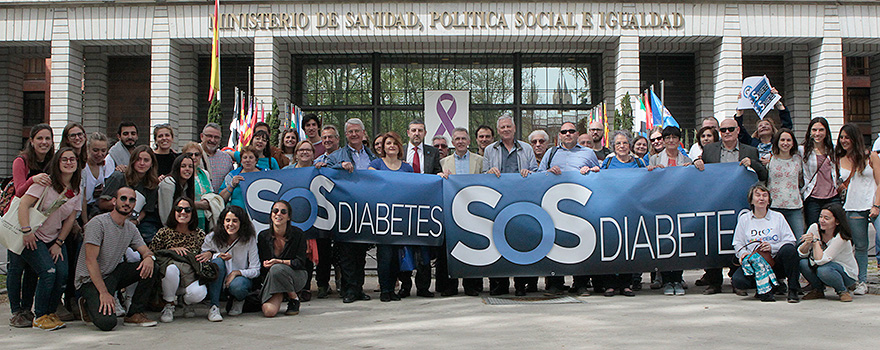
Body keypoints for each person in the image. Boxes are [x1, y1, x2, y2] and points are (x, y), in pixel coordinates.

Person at [7, 148, 82, 330]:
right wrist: (26, 231)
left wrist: (59, 243)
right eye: (64, 159)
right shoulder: (45, 183)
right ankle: (39, 315)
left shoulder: (77, 188)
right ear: (57, 163)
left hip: (54, 238)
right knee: (48, 273)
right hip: (32, 236)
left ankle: (50, 313)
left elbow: (70, 219)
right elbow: (24, 204)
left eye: (72, 159)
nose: (69, 162)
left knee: (62, 274)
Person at [694, 118, 768, 295]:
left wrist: (754, 164)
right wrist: (696, 164)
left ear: (738, 131)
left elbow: (764, 175)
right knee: (712, 240)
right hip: (714, 203)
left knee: (738, 241)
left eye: (730, 129)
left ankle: (736, 280)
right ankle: (714, 281)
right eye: (723, 129)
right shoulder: (710, 150)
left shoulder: (750, 150)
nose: (727, 132)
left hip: (739, 204)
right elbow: (699, 175)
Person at [74, 187, 158, 331]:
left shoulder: (130, 228)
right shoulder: (98, 223)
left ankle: (134, 313)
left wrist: (149, 257)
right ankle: (87, 303)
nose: (127, 203)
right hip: (89, 280)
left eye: (132, 200)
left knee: (153, 266)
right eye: (123, 198)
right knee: (107, 323)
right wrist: (104, 293)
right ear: (114, 201)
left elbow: (145, 250)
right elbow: (90, 260)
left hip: (112, 274)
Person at [536, 123, 601, 297]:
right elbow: (539, 175)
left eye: (571, 131)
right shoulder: (551, 153)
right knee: (556, 244)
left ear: (577, 134)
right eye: (564, 132)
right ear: (560, 135)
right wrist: (549, 171)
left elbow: (599, 175)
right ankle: (556, 284)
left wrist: (593, 171)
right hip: (555, 206)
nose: (568, 134)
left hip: (580, 205)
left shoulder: (588, 153)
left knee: (581, 244)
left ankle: (580, 284)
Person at [483, 114, 538, 296]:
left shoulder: (527, 148)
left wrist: (528, 172)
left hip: (522, 201)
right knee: (498, 241)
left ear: (514, 128)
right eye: (502, 127)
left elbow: (536, 174)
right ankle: (500, 284)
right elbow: (483, 175)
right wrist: (490, 172)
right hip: (498, 202)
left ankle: (521, 284)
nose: (505, 130)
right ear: (498, 131)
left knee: (520, 241)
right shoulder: (490, 150)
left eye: (508, 126)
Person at [324, 118, 377, 303]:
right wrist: (340, 166)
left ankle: (359, 288)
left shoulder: (372, 157)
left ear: (363, 133)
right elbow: (325, 171)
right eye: (350, 132)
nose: (354, 135)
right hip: (344, 210)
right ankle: (348, 290)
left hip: (365, 210)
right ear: (346, 135)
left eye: (357, 131)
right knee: (346, 253)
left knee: (360, 253)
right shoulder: (336, 156)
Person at [6, 124, 54, 328]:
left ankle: (28, 308)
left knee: (33, 269)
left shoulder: (51, 162)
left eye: (48, 139)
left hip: (41, 221)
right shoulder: (21, 161)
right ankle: (16, 311)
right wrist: (33, 179)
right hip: (20, 219)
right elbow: (18, 191)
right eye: (40, 138)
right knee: (16, 266)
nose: (44, 142)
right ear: (32, 141)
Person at [731, 184, 800, 302]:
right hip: (756, 264)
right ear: (751, 200)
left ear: (769, 201)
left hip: (775, 262)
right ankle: (766, 287)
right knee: (739, 281)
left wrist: (772, 247)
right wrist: (743, 255)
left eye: (765, 196)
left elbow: (790, 240)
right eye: (757, 195)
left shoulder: (778, 217)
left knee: (789, 249)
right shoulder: (744, 219)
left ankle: (793, 290)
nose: (761, 199)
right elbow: (738, 243)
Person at [834, 123, 880, 296]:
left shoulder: (871, 156)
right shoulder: (838, 158)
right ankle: (861, 281)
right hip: (853, 206)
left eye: (847, 137)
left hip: (875, 204)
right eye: (842, 137)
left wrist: (876, 205)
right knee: (860, 246)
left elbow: (879, 181)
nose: (844, 140)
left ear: (855, 138)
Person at [439, 127, 485, 296]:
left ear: (469, 141)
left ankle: (472, 286)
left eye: (463, 138)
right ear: (452, 142)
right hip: (451, 211)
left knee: (472, 248)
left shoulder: (479, 161)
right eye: (457, 139)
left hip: (473, 211)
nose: (460, 141)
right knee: (450, 249)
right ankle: (449, 287)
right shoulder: (444, 162)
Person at [368, 132, 414, 301]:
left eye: (395, 143)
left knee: (397, 256)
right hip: (382, 218)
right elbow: (369, 184)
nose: (392, 146)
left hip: (400, 217)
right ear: (383, 147)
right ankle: (384, 290)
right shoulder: (376, 164)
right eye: (388, 143)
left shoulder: (407, 167)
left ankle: (393, 289)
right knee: (384, 255)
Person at [647, 127, 692, 296]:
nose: (671, 140)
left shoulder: (686, 159)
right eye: (668, 138)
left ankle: (677, 279)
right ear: (664, 141)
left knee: (679, 244)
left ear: (679, 140)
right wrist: (651, 171)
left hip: (680, 207)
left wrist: (693, 168)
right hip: (662, 207)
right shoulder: (654, 158)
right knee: (666, 244)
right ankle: (667, 281)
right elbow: (648, 182)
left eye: (674, 137)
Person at [149, 197, 207, 323]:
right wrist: (172, 251)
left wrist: (208, 253)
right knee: (171, 269)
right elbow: (152, 253)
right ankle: (169, 304)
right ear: (173, 211)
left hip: (190, 276)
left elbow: (208, 251)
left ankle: (186, 302)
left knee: (200, 293)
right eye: (179, 209)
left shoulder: (199, 234)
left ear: (193, 213)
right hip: (167, 277)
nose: (183, 212)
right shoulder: (164, 232)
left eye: (187, 210)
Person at [402, 120, 443, 298]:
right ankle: (404, 286)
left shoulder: (432, 152)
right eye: (413, 130)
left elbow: (437, 173)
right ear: (408, 133)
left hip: (426, 207)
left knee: (424, 250)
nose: (416, 133)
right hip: (403, 207)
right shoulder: (400, 151)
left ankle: (423, 287)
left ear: (425, 133)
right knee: (404, 249)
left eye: (420, 130)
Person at [197, 206, 260, 321]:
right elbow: (203, 257)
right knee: (218, 262)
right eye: (227, 220)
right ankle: (214, 306)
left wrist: (237, 273)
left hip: (238, 282)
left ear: (242, 223)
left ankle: (238, 300)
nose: (230, 224)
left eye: (235, 221)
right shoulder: (212, 237)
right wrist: (215, 255)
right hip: (217, 282)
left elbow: (256, 269)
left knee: (238, 286)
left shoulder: (249, 239)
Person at [100, 145, 162, 244]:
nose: (142, 163)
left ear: (151, 164)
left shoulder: (152, 185)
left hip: (134, 222)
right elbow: (101, 203)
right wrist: (118, 204)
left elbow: (146, 210)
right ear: (132, 161)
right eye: (138, 159)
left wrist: (136, 221)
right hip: (110, 220)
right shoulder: (118, 177)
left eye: (146, 160)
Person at [257, 200, 309, 317]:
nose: (278, 214)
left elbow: (300, 263)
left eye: (283, 212)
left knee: (277, 268)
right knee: (269, 312)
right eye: (275, 211)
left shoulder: (298, 234)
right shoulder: (263, 236)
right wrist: (266, 264)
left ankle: (293, 298)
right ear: (271, 215)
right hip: (274, 277)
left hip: (296, 276)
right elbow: (261, 264)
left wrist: (279, 262)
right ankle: (281, 294)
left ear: (289, 217)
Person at [798, 203, 857, 302]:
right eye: (820, 217)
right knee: (802, 263)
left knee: (824, 270)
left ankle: (842, 290)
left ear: (837, 221)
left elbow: (821, 260)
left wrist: (815, 242)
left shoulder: (841, 238)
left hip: (844, 273)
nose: (822, 220)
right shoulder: (814, 228)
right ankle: (818, 290)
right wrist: (807, 243)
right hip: (822, 266)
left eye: (827, 218)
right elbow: (801, 253)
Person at [312, 126, 340, 299]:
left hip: (342, 210)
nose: (328, 140)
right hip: (323, 212)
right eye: (324, 137)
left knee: (341, 250)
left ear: (337, 139)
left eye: (331, 137)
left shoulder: (346, 157)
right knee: (322, 250)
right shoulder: (317, 160)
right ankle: (322, 284)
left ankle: (342, 283)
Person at [800, 117, 839, 228]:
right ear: (810, 132)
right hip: (813, 197)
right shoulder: (803, 151)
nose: (817, 133)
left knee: (835, 229)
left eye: (821, 130)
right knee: (814, 228)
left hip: (833, 196)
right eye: (814, 130)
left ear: (826, 131)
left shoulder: (834, 150)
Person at [766, 129, 805, 240]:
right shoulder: (770, 159)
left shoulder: (798, 160)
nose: (785, 143)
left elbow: (802, 180)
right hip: (774, 206)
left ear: (793, 143)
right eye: (782, 140)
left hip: (794, 206)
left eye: (788, 140)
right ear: (777, 142)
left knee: (799, 240)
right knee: (775, 240)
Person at [736, 89, 792, 160]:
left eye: (767, 124)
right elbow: (740, 131)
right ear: (757, 132)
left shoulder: (778, 141)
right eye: (760, 126)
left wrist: (778, 103)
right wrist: (739, 113)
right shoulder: (751, 143)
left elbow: (787, 126)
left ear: (772, 129)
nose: (764, 126)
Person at [158, 154, 210, 225]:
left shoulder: (187, 185)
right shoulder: (168, 184)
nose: (187, 169)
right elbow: (165, 213)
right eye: (183, 166)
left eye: (190, 166)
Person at [180, 142, 214, 230]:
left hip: (207, 217)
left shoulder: (205, 174)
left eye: (197, 154)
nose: (194, 157)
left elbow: (211, 194)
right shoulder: (182, 175)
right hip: (189, 217)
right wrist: (198, 205)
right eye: (190, 154)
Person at [82, 132, 115, 223]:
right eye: (95, 150)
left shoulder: (106, 165)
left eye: (103, 150)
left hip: (101, 208)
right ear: (88, 149)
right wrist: (85, 222)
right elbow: (83, 199)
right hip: (85, 210)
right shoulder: (83, 168)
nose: (100, 154)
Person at [198, 123, 235, 193]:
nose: (212, 140)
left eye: (216, 137)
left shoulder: (226, 159)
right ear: (202, 136)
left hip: (219, 201)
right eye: (209, 136)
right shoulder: (192, 155)